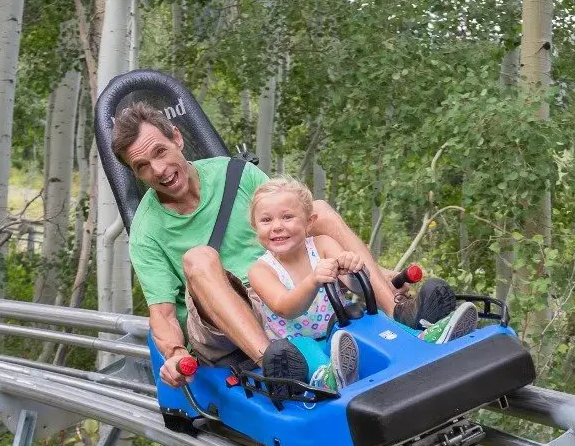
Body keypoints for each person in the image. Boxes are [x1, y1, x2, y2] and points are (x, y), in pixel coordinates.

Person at [112, 102, 459, 390]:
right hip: (224, 317)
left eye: (160, 151)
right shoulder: (147, 229)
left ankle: (399, 310)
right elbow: (162, 314)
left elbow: (289, 220)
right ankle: (278, 366)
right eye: (143, 166)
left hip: (284, 283)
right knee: (200, 257)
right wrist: (174, 353)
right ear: (136, 173)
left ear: (177, 138)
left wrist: (374, 270)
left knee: (316, 211)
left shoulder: (235, 174)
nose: (158, 170)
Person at [246, 178, 478, 390]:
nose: (276, 226)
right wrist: (313, 280)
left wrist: (355, 268)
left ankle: (420, 338)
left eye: (287, 217)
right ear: (256, 229)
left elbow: (355, 285)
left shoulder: (323, 244)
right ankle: (325, 376)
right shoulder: (260, 270)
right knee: (303, 346)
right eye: (266, 220)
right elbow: (285, 307)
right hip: (298, 343)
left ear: (309, 222)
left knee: (368, 317)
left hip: (340, 331)